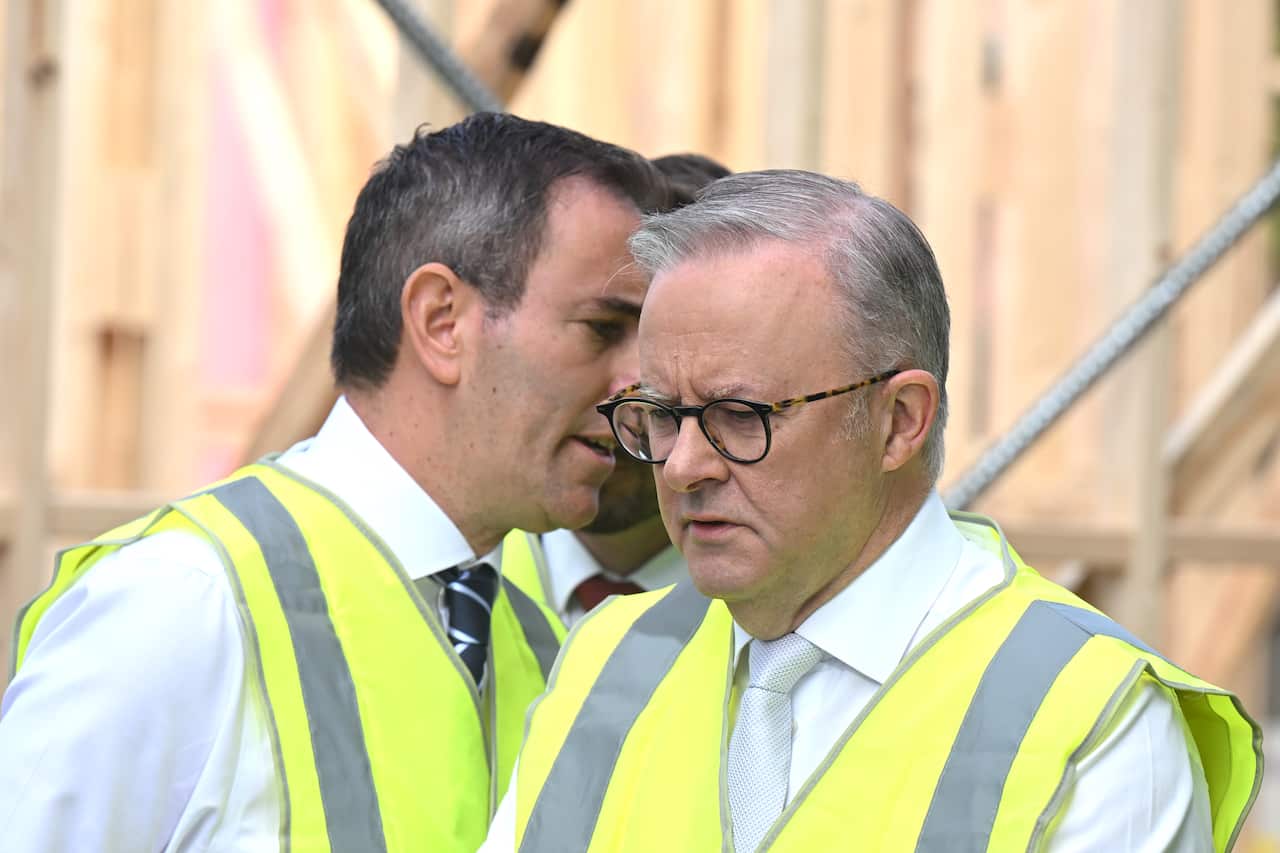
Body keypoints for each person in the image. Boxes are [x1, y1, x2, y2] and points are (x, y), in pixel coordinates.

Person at [483, 170, 1261, 852]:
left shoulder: (1093, 721)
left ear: (899, 421)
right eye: (661, 413)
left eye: (740, 414)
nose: (683, 465)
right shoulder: (603, 661)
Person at [0, 113, 668, 851]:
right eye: (604, 328)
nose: (642, 384)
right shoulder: (186, 605)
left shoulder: (538, 647)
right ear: (441, 321)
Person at [502, 152, 731, 628]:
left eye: (665, 352)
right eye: (601, 329)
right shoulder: (457, 584)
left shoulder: (789, 628)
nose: (629, 398)